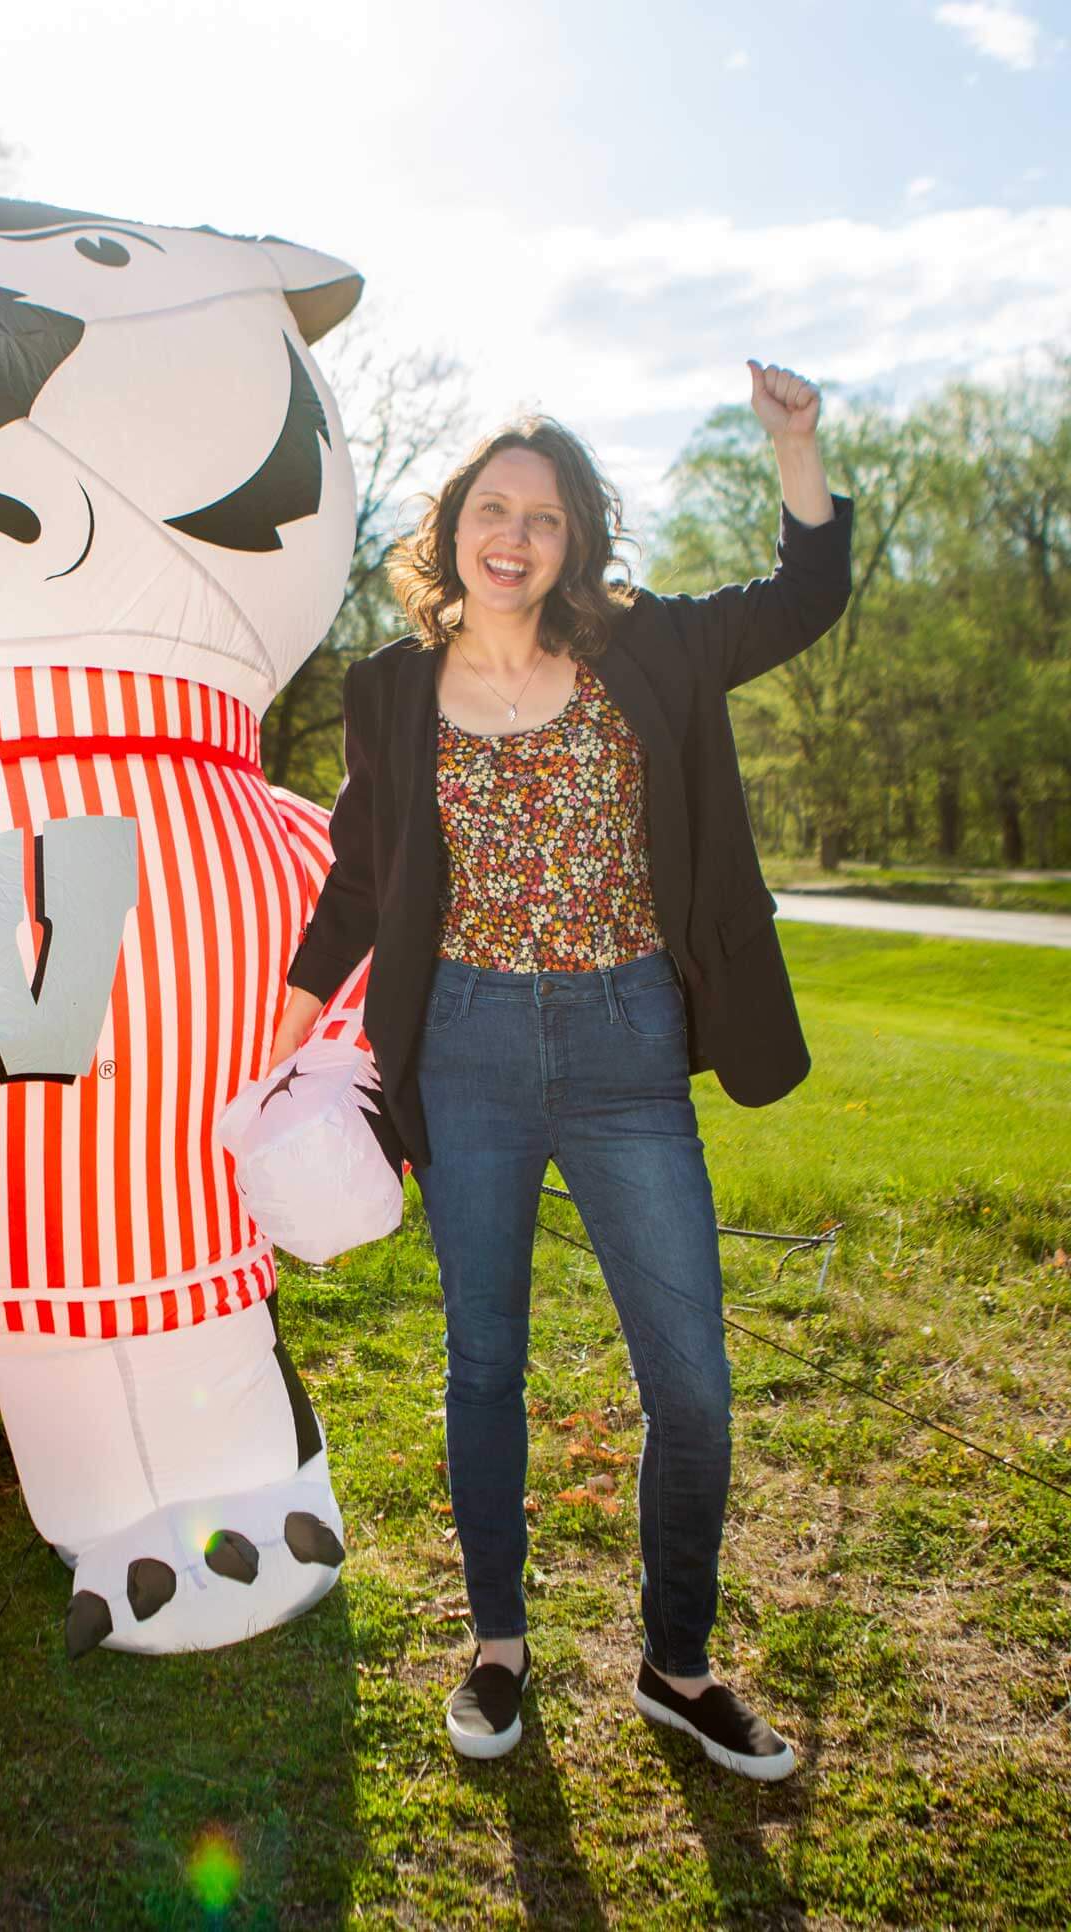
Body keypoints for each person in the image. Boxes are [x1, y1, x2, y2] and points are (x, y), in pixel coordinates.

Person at [270, 362, 849, 1779]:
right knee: (485, 1365)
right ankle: (498, 1653)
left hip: (624, 1042)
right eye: (492, 507)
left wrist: (796, 451)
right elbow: (357, 882)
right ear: (452, 526)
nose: (515, 534)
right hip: (461, 1047)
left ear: (575, 538)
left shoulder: (644, 652)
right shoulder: (390, 689)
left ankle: (679, 1663)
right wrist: (274, 1048)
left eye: (545, 514)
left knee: (695, 1379)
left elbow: (804, 596)